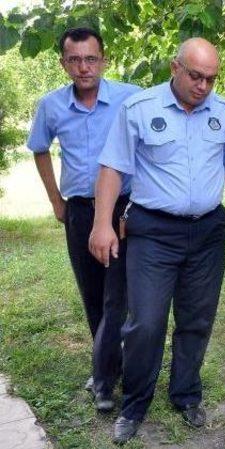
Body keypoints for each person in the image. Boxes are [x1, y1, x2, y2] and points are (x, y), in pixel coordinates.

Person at [89, 38, 225, 444]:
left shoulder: (224, 114)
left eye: (211, 79)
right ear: (175, 68)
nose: (204, 86)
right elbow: (112, 169)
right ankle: (134, 405)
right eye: (196, 76)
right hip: (153, 232)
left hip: (206, 232)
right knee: (145, 322)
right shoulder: (140, 110)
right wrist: (101, 224)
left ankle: (185, 394)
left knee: (197, 318)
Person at [27, 27, 141, 412]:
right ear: (63, 63)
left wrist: (137, 202)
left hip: (122, 209)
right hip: (79, 211)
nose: (83, 68)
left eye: (91, 59)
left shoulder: (129, 98)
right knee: (93, 295)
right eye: (74, 60)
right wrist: (57, 202)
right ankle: (107, 364)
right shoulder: (52, 106)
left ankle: (105, 381)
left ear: (104, 60)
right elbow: (39, 150)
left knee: (116, 298)